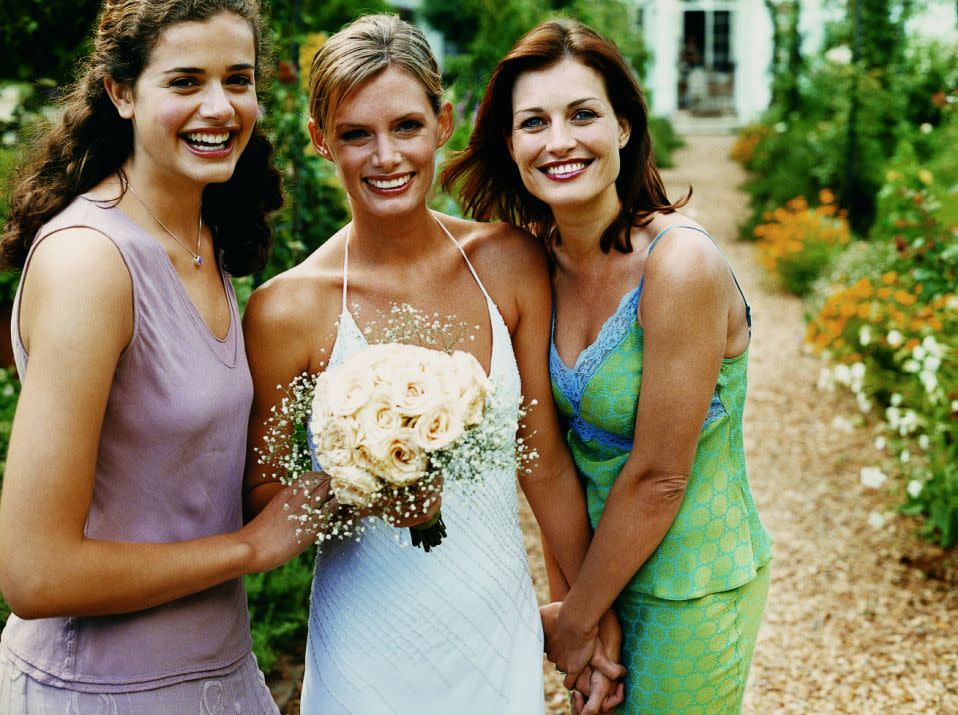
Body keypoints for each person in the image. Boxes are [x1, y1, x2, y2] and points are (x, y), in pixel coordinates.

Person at [242, 14, 625, 715]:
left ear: (444, 121)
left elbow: (540, 460)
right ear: (320, 140)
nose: (385, 156)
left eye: (407, 126)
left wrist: (584, 619)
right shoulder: (286, 308)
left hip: (492, 612)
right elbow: (262, 493)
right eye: (356, 133)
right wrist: (360, 482)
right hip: (366, 630)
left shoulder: (507, 261)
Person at [442, 18, 774, 714]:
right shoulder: (534, 262)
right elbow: (546, 452)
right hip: (593, 570)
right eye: (533, 121)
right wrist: (581, 606)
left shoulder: (679, 266)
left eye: (582, 114)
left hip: (691, 579)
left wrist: (571, 622)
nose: (558, 141)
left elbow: (659, 478)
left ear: (624, 126)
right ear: (510, 143)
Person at [0, 1, 319, 711]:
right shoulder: (92, 262)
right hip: (103, 687)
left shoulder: (205, 239)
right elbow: (34, 572)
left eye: (238, 79)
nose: (220, 106)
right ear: (120, 92)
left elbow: (178, 482)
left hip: (220, 669)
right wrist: (251, 547)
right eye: (184, 81)